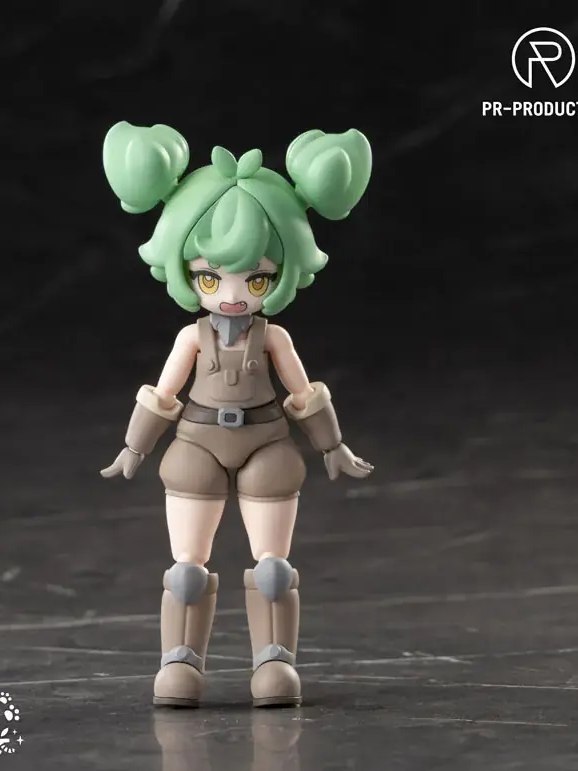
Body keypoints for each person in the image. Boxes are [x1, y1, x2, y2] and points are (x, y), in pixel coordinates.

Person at [100, 121, 374, 708]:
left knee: (273, 569)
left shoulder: (274, 337)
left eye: (257, 278)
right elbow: (164, 393)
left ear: (283, 273)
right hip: (196, 443)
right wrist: (135, 446)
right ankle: (179, 663)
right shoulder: (191, 336)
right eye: (208, 276)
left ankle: (274, 663)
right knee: (186, 571)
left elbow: (302, 392)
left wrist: (332, 445)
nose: (231, 293)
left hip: (266, 443)